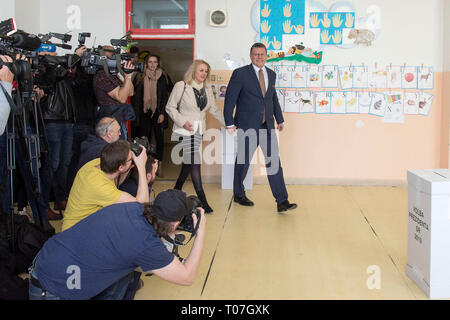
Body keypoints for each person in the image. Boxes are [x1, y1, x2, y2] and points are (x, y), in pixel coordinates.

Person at [28, 189, 207, 300]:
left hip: (49, 258)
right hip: (53, 287)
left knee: (126, 276)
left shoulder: (133, 208)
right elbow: (187, 277)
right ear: (175, 224)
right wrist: (200, 232)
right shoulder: (146, 245)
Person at [224, 43, 298, 213]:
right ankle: (238, 194)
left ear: (266, 56)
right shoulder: (240, 73)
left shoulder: (271, 74)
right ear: (251, 56)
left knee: (274, 163)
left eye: (262, 54)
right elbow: (230, 99)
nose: (259, 57)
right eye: (256, 54)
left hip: (267, 126)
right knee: (243, 162)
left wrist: (279, 119)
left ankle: (282, 200)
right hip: (246, 125)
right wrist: (229, 121)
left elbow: (273, 99)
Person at [166, 59, 225, 214]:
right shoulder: (182, 86)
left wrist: (229, 124)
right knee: (195, 162)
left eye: (206, 71)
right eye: (201, 70)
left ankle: (175, 191)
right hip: (185, 130)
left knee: (188, 163)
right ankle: (203, 201)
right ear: (193, 71)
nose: (203, 73)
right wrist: (182, 122)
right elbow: (170, 107)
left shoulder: (207, 88)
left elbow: (213, 109)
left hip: (198, 131)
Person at [61, 140, 148, 231]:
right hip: (75, 235)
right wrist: (141, 166)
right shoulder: (100, 187)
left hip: (80, 225)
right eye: (131, 158)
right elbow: (141, 205)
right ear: (121, 167)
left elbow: (116, 180)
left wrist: (129, 165)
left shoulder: (96, 164)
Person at [131, 54, 169, 177]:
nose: (152, 65)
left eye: (155, 62)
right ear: (146, 63)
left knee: (159, 138)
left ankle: (159, 165)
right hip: (144, 112)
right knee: (143, 138)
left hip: (158, 112)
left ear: (158, 63)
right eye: (150, 62)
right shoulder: (140, 76)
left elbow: (164, 97)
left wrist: (162, 113)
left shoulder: (163, 77)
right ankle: (144, 165)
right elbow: (135, 98)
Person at [93, 45, 136, 140]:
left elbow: (130, 92)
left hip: (119, 120)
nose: (114, 56)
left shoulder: (113, 74)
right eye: (111, 54)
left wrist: (127, 76)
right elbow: (121, 98)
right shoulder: (102, 76)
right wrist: (128, 78)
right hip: (109, 124)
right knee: (117, 151)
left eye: (115, 54)